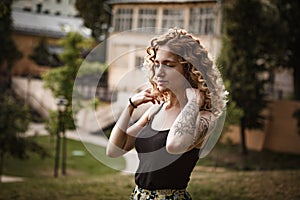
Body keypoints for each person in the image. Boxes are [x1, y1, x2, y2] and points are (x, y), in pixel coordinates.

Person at [106, 28, 227, 200]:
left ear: (190, 69)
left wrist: (193, 103)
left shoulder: (205, 117)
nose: (159, 72)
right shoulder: (156, 109)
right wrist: (130, 106)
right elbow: (114, 150)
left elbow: (175, 145)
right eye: (156, 63)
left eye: (169, 65)